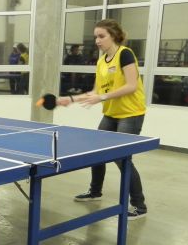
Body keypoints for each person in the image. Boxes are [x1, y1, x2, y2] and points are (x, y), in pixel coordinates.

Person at [56, 19, 148, 219]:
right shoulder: (101, 61)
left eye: (101, 36)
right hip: (111, 113)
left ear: (113, 36)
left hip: (131, 114)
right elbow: (96, 92)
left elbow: (131, 85)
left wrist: (102, 97)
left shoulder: (125, 54)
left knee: (122, 158)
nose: (97, 40)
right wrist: (70, 99)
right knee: (97, 152)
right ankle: (95, 191)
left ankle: (139, 206)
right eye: (96, 37)